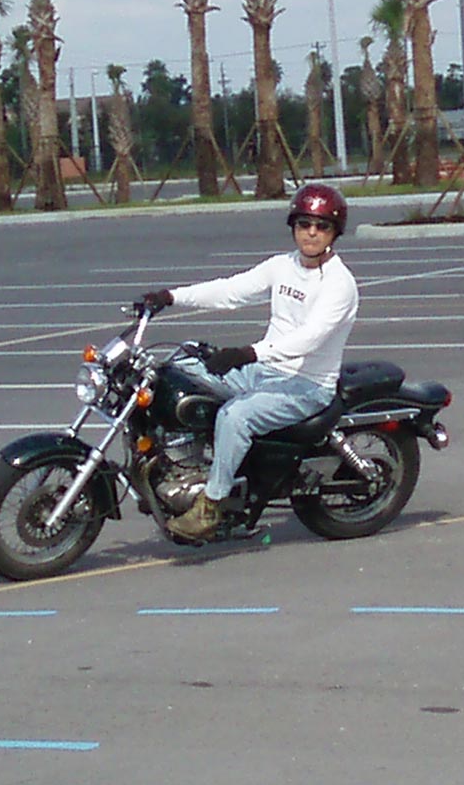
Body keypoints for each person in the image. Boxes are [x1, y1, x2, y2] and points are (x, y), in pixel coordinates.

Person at [141, 183, 359, 541]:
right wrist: (170, 297)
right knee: (179, 369)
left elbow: (310, 337)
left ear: (335, 232)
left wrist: (247, 354)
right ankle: (178, 464)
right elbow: (231, 290)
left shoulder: (339, 284)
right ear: (293, 226)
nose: (311, 233)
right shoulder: (283, 266)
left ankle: (211, 507)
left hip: (307, 385)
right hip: (264, 370)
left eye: (322, 226)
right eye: (304, 224)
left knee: (235, 416)